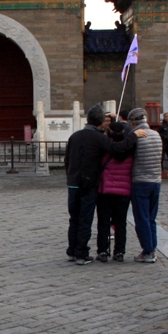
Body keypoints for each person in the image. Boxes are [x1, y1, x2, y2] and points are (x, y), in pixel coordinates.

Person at [64, 104, 145, 265]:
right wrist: (133, 136)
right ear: (101, 122)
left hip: (73, 183)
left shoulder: (74, 136)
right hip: (89, 183)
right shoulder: (99, 138)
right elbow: (117, 148)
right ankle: (81, 253)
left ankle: (72, 251)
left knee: (74, 218)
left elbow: (67, 159)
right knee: (85, 219)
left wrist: (70, 175)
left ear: (88, 119)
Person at [128, 107, 163, 263]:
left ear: (133, 122)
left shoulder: (136, 136)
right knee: (151, 218)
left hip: (141, 181)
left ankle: (147, 251)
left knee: (141, 218)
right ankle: (152, 248)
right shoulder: (156, 135)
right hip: (156, 180)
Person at [95, 143, 133, 263]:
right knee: (120, 223)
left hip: (105, 191)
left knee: (103, 222)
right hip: (124, 191)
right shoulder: (130, 153)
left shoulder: (105, 151)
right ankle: (119, 252)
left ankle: (103, 251)